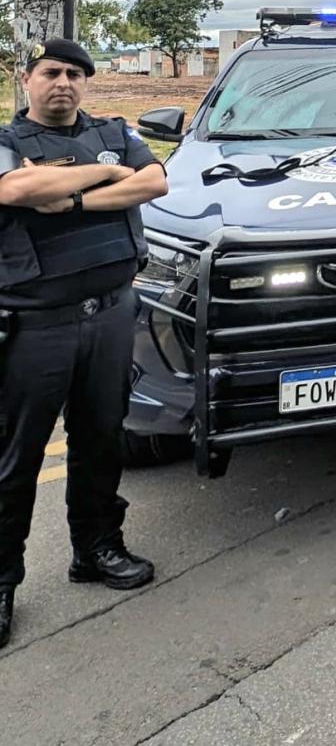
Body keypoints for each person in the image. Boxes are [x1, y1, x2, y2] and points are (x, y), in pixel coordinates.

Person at [0, 38, 169, 648]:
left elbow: (154, 181)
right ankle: (1, 581)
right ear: (27, 80)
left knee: (101, 439)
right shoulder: (6, 143)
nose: (63, 83)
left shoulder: (116, 130)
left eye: (75, 74)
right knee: (15, 458)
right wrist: (99, 174)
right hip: (36, 323)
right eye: (51, 73)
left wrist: (64, 195)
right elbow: (14, 193)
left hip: (111, 314)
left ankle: (96, 549)